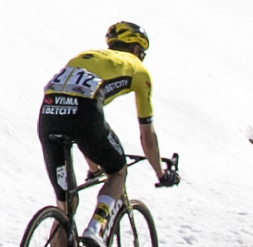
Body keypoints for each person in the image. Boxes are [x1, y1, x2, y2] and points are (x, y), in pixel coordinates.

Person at [39, 22, 168, 227]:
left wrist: (95, 168)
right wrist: (161, 173)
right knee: (118, 171)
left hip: (48, 114)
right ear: (136, 49)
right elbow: (147, 138)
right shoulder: (138, 70)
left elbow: (74, 118)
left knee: (65, 207)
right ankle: (96, 228)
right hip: (84, 113)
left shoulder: (85, 56)